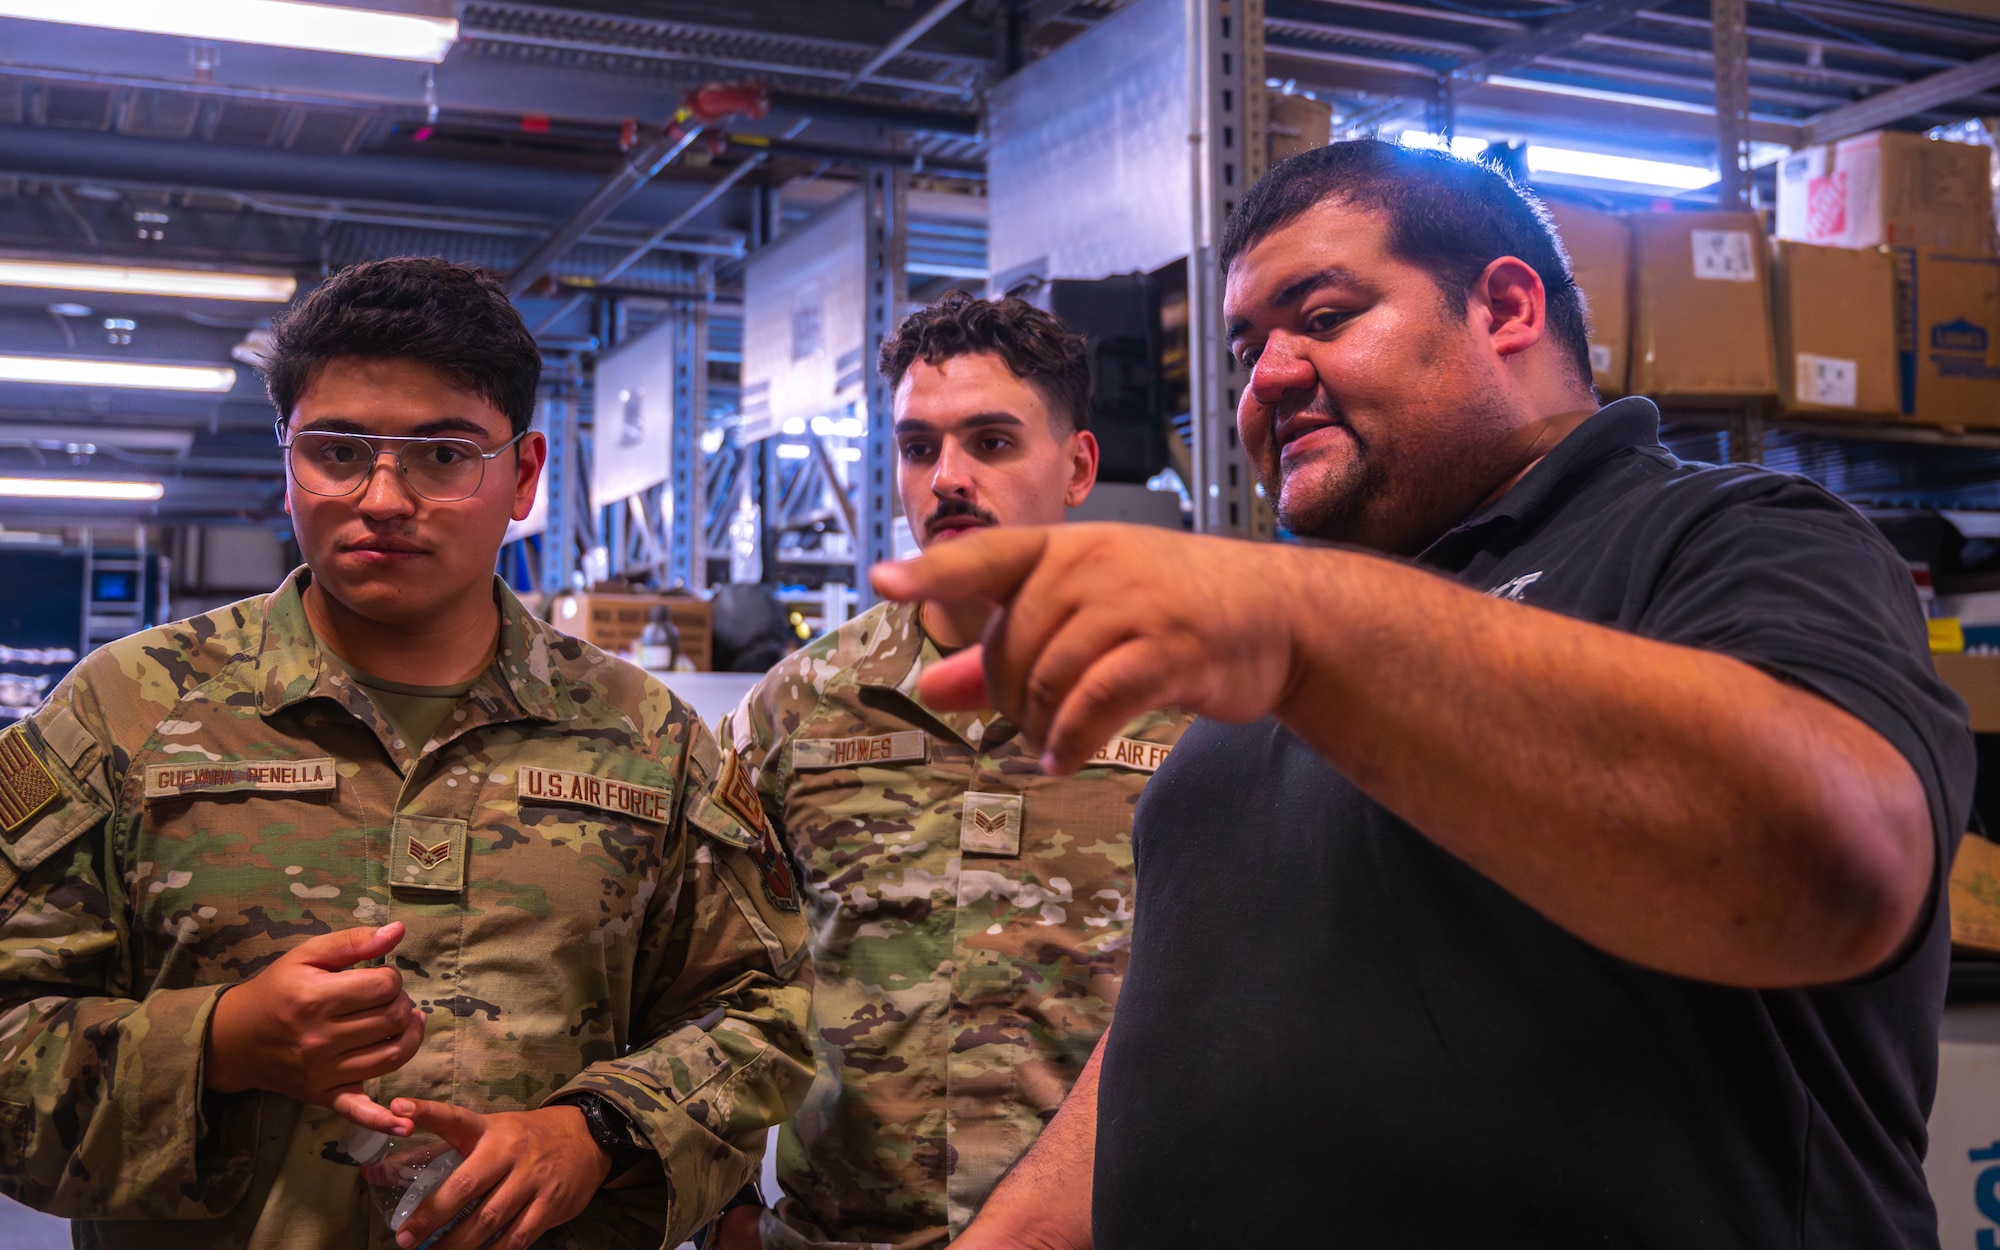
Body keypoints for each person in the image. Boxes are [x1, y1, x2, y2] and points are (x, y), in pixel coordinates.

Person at [882, 141, 1976, 1248]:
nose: (1265, 375)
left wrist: (1301, 623)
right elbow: (1182, 1026)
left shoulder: (1723, 536)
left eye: (1321, 316)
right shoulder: (1276, 655)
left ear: (1502, 306)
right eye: (1244, 343)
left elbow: (1838, 863)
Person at [0, 257, 814, 1250]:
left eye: (442, 455)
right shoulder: (125, 712)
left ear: (522, 475)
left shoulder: (645, 736)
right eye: (337, 449)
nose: (383, 495)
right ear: (285, 460)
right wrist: (216, 1043)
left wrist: (597, 1128)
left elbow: (763, 1010)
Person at [712, 292, 1191, 1248]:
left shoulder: (1186, 704)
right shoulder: (799, 707)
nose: (949, 480)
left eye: (993, 442)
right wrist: (721, 1206)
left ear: (1079, 466)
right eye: (920, 447)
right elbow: (720, 976)